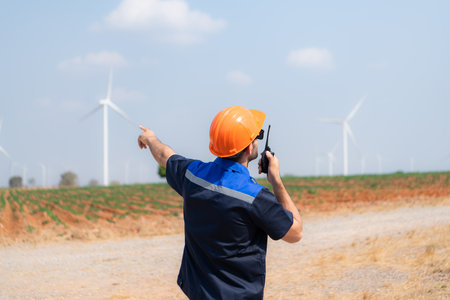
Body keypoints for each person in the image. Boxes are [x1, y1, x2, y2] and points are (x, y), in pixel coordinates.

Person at [138, 105, 302, 299]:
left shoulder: (192, 175)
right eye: (257, 135)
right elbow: (295, 232)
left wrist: (150, 138)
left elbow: (165, 155)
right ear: (250, 147)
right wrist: (276, 180)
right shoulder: (255, 197)